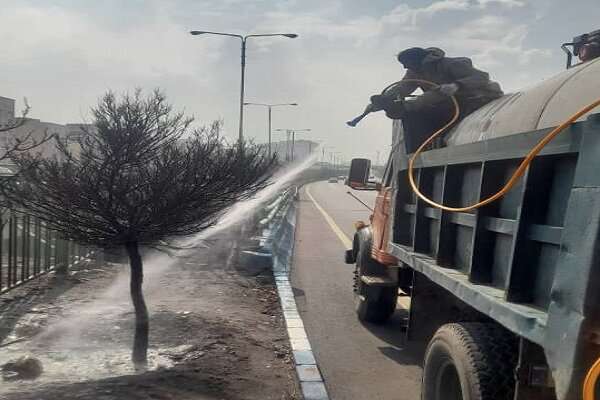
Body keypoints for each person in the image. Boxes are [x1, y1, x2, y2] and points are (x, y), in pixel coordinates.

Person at [371, 47, 503, 152]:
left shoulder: (451, 64)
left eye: (407, 64)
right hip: (448, 100)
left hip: (477, 98)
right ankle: (419, 151)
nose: (405, 67)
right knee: (414, 112)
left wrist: (457, 85)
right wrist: (384, 99)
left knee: (425, 103)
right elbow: (403, 87)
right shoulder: (415, 71)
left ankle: (440, 141)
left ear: (417, 60)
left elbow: (482, 77)